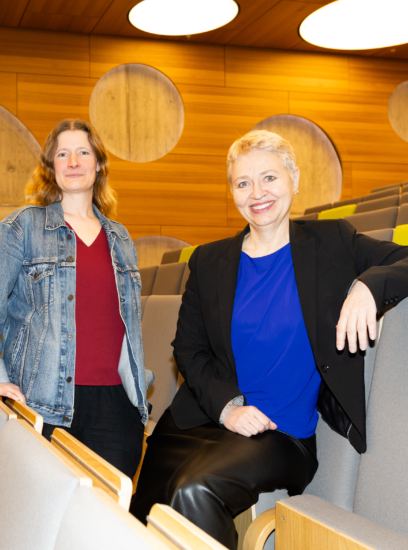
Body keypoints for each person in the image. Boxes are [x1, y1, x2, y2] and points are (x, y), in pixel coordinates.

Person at [130, 130, 408, 549]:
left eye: (269, 178)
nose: (256, 193)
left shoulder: (333, 242)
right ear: (233, 192)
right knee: (142, 513)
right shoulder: (209, 260)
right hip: (208, 419)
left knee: (192, 491)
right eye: (243, 183)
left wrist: (369, 285)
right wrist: (228, 408)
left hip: (281, 434)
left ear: (293, 178)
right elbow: (188, 349)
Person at [0, 118, 152, 479]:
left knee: (109, 522)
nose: (74, 162)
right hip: (45, 403)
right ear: (51, 167)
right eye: (63, 154)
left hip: (116, 407)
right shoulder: (23, 227)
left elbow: (128, 326)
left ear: (98, 164)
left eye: (83, 152)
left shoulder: (120, 237)